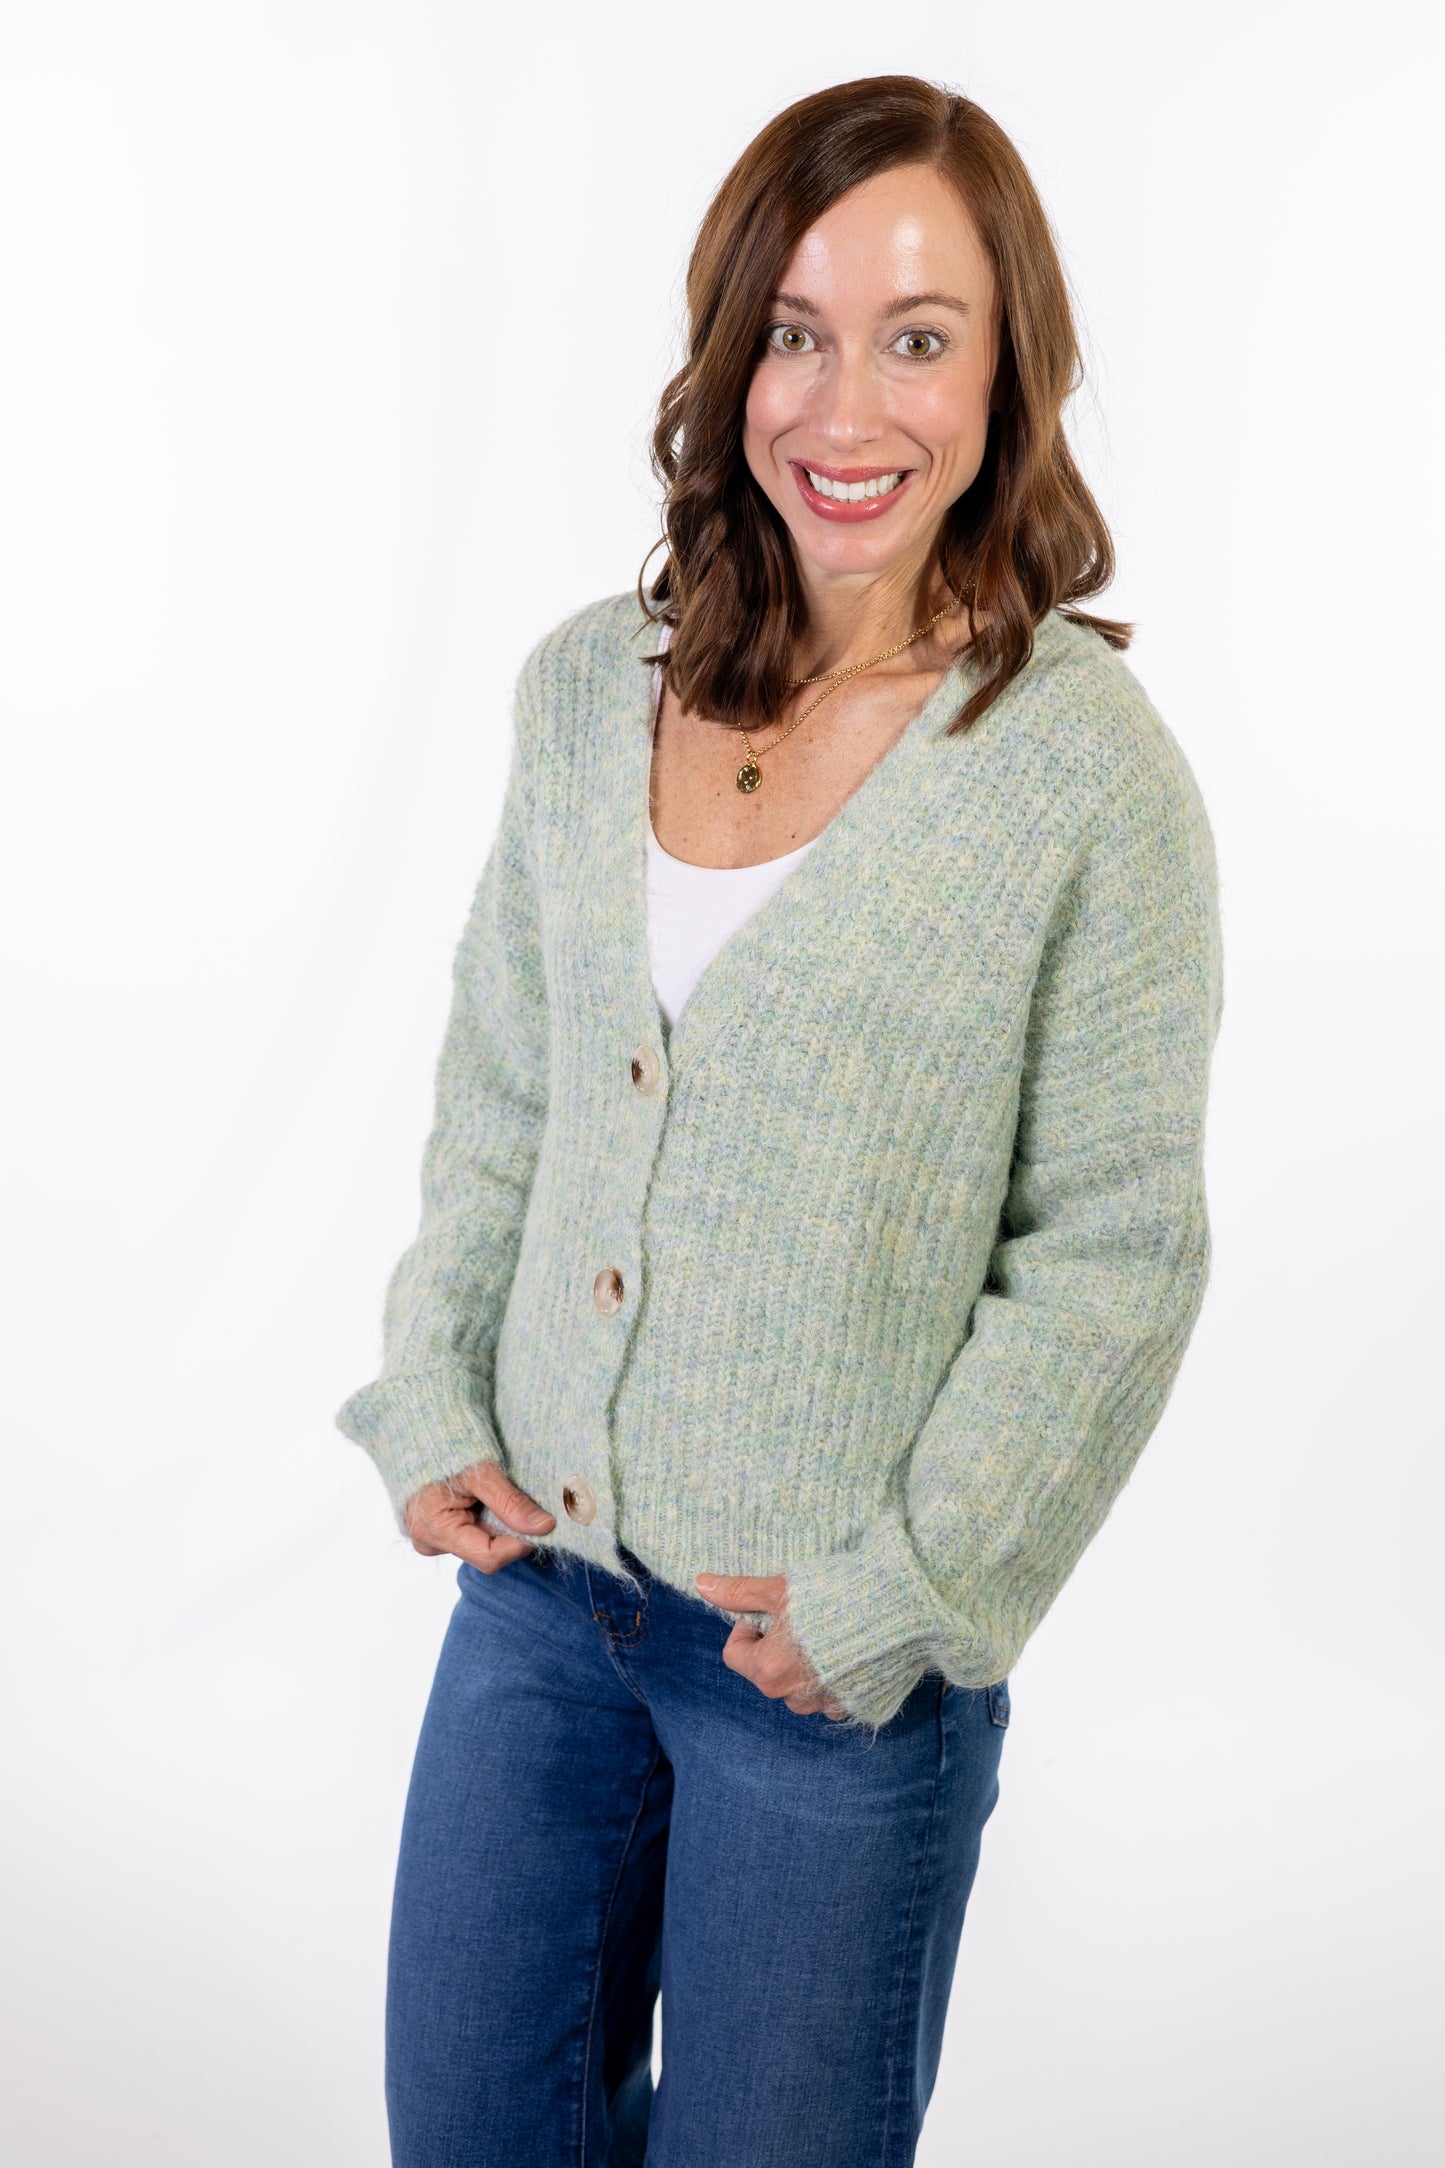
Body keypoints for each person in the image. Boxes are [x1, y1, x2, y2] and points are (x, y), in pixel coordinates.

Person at [336, 72, 1221, 2168]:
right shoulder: (584, 690)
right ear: (728, 357)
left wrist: (909, 1586)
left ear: (1009, 377)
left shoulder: (1084, 777)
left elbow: (1114, 1249)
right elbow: (508, 1083)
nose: (849, 404)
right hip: (540, 1600)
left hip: (834, 1672)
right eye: (796, 332)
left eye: (921, 336)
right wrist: (435, 1382)